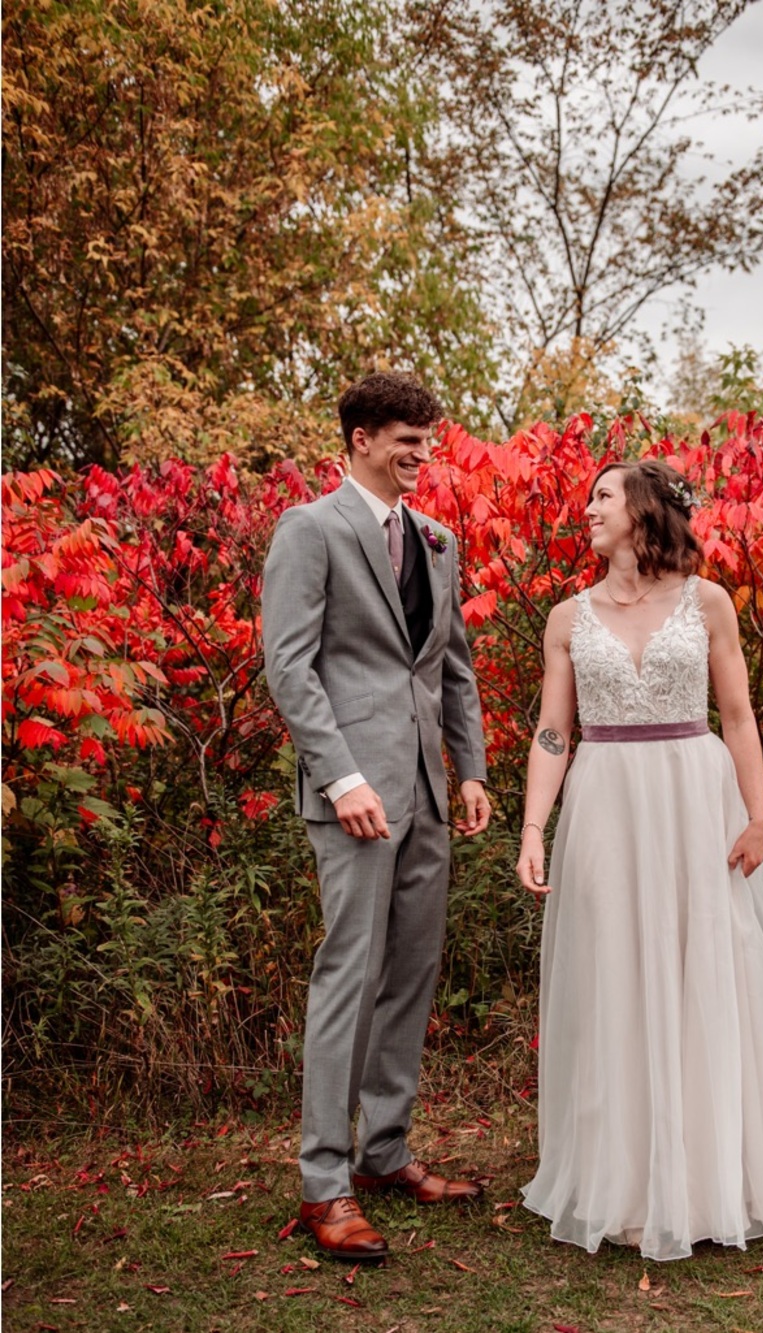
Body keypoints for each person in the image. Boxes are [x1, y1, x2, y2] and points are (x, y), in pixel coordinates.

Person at [516, 458, 763, 1262]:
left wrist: (759, 816)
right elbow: (554, 732)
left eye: (602, 496)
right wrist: (532, 825)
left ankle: (707, 1181)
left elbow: (737, 717)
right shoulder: (567, 616)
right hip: (604, 805)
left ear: (644, 509)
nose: (586, 508)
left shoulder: (708, 603)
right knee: (616, 975)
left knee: (704, 972)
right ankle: (626, 1183)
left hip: (697, 800)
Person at [262, 372, 491, 1262]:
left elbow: (451, 668)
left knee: (412, 975)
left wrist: (468, 769)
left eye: (427, 440)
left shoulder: (438, 540)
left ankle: (384, 1152)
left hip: (429, 796)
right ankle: (325, 1181)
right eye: (405, 437)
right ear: (358, 437)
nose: (421, 453)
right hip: (352, 796)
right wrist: (341, 777)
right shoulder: (310, 529)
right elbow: (291, 666)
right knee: (348, 976)